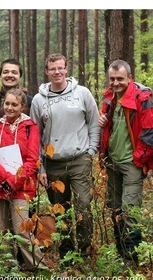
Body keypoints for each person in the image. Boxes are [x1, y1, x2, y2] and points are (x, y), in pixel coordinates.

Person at [30, 53, 100, 263]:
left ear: (66, 69)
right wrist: (40, 168)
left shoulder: (82, 93)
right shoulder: (38, 100)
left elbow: (94, 123)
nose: (57, 72)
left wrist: (91, 152)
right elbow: (36, 135)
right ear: (47, 72)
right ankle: (66, 252)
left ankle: (85, 251)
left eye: (61, 68)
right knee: (60, 211)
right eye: (53, 69)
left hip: (79, 159)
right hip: (53, 164)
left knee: (83, 207)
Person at [99, 59, 153, 264]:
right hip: (112, 162)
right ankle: (121, 251)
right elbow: (109, 129)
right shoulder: (109, 97)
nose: (115, 83)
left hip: (132, 163)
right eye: (112, 79)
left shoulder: (143, 99)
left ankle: (132, 259)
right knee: (115, 208)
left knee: (130, 210)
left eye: (120, 79)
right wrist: (103, 123)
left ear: (130, 78)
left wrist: (138, 160)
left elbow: (150, 135)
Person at [0, 88, 46, 270]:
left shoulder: (31, 128)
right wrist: (4, 178)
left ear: (22, 106)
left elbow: (32, 159)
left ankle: (39, 269)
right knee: (2, 231)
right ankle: (7, 271)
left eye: (14, 104)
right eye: (7, 104)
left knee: (21, 231)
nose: (10, 108)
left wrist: (14, 181)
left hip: (21, 187)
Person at [0, 58, 32, 123]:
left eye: (14, 72)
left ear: (20, 77)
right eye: (6, 72)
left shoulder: (30, 102)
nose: (9, 75)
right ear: (0, 76)